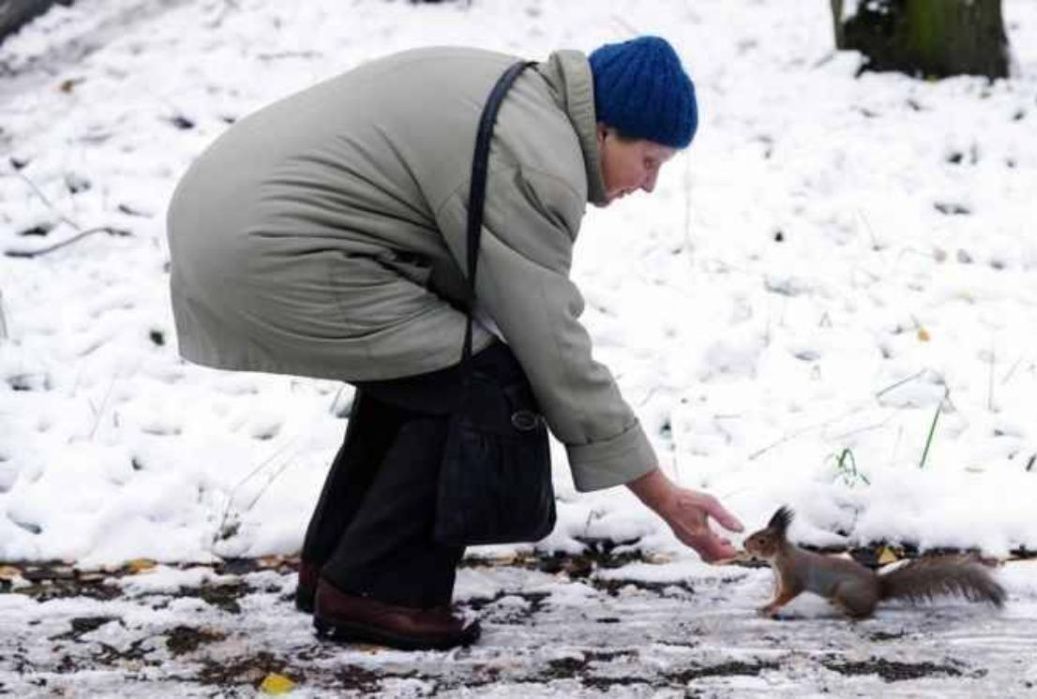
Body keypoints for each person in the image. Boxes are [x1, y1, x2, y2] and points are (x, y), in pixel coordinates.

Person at [165, 35, 743, 650]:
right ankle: (376, 592)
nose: (649, 185)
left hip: (226, 217)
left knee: (433, 365)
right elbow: (552, 347)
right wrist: (662, 495)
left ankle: (340, 566)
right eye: (650, 161)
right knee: (483, 379)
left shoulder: (518, 97)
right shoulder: (538, 160)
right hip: (267, 248)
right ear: (603, 130)